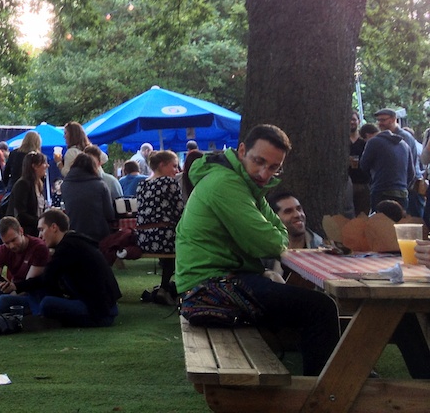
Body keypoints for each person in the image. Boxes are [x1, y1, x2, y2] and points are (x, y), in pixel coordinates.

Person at [175, 124, 340, 375]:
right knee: (321, 308)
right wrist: (276, 234)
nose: (264, 173)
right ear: (242, 151)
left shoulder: (245, 184)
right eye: (259, 161)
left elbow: (275, 231)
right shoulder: (226, 184)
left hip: (216, 281)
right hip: (208, 288)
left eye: (274, 167)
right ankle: (323, 394)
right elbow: (271, 243)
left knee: (311, 306)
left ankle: (334, 375)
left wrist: (276, 233)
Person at [14, 209, 121, 328]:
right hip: (104, 306)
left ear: (54, 227)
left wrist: (17, 286)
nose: (40, 235)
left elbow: (47, 277)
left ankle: (40, 317)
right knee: (34, 295)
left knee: (47, 303)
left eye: (41, 230)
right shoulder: (75, 241)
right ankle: (39, 315)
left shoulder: (67, 248)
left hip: (99, 312)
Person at [135, 149, 184, 302]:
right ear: (162, 165)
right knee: (183, 240)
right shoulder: (169, 182)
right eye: (174, 166)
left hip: (143, 238)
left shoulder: (142, 184)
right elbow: (179, 212)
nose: (177, 171)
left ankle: (165, 286)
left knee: (170, 236)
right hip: (163, 238)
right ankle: (167, 287)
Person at [361, 110, 416, 210]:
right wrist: (401, 186)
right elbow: (411, 173)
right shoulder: (404, 144)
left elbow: (364, 165)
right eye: (378, 120)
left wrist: (375, 181)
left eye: (383, 120)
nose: (380, 123)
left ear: (393, 119)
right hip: (402, 193)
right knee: (399, 224)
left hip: (381, 191)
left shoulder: (374, 142)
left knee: (381, 224)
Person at [60, 151, 115, 242]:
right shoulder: (100, 185)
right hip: (98, 234)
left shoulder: (65, 186)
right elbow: (109, 214)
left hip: (75, 233)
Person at [9, 150, 48, 236]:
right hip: (27, 233)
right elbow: (21, 214)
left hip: (36, 231)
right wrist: (39, 221)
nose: (47, 166)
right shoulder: (23, 184)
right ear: (34, 166)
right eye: (44, 163)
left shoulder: (39, 184)